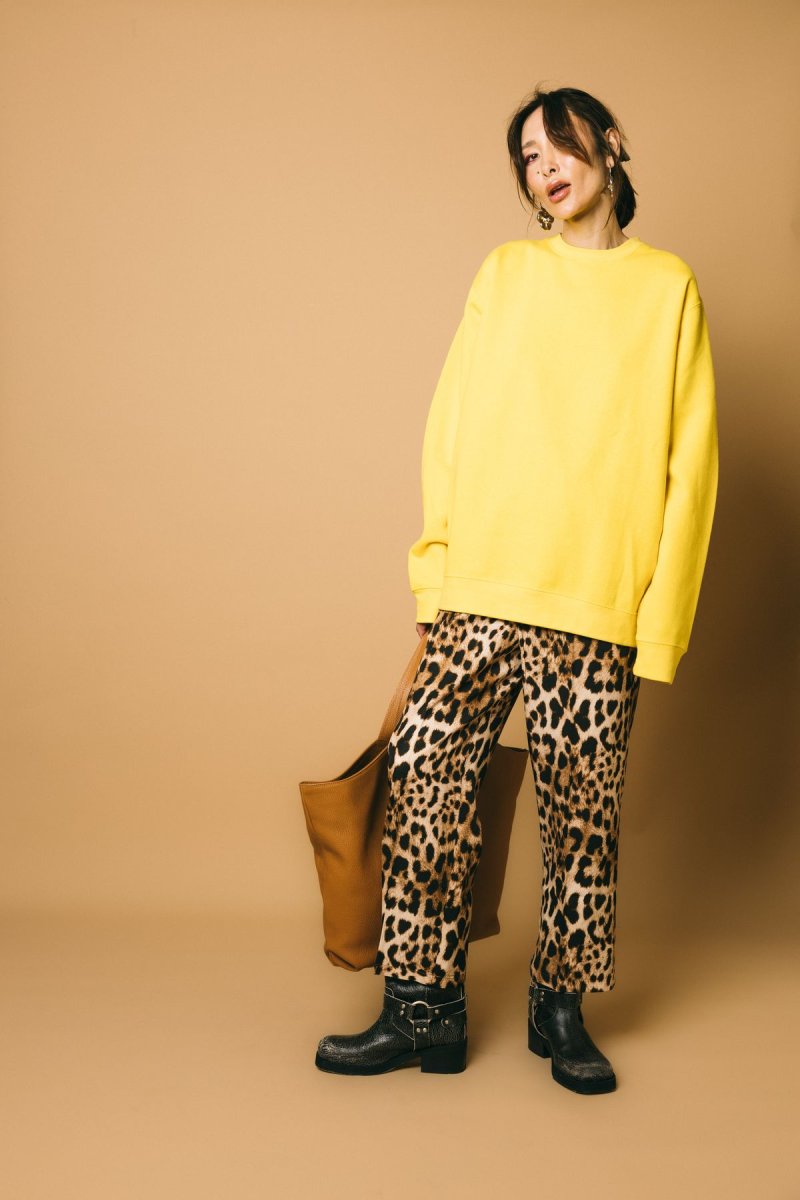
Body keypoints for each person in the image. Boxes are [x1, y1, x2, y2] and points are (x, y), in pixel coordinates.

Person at [314, 85, 719, 1094]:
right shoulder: (504, 271)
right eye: (528, 158)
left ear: (609, 145)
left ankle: (558, 1008)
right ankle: (422, 1011)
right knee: (424, 786)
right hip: (483, 588)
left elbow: (691, 467)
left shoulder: (666, 287)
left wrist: (657, 623)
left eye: (559, 146)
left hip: (596, 602)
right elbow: (450, 427)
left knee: (583, 819)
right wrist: (436, 574)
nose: (545, 168)